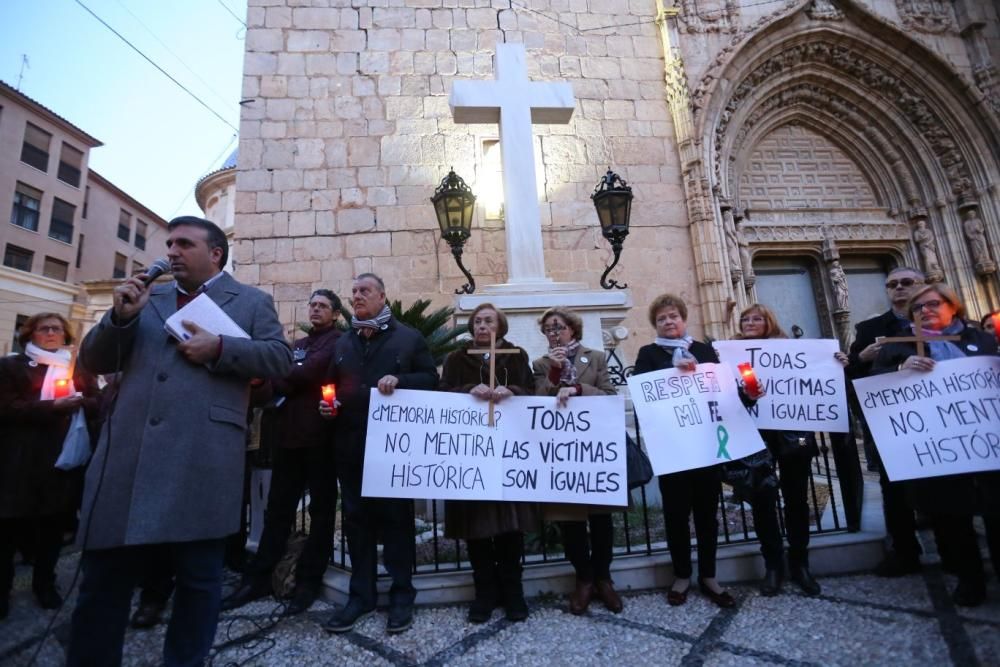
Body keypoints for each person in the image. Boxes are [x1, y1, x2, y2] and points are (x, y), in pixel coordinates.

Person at [66, 216, 292, 667]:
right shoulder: (147, 299)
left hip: (201, 459)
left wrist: (222, 348)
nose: (171, 252)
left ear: (215, 254)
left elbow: (280, 358)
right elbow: (93, 359)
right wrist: (118, 318)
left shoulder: (250, 301)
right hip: (128, 458)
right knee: (103, 583)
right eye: (169, 243)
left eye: (184, 244)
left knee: (198, 582)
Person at [319, 273, 437, 634]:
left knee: (396, 523)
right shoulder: (343, 342)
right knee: (356, 522)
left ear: (382, 296)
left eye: (364, 291)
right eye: (353, 291)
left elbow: (432, 379)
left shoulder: (408, 337)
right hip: (350, 448)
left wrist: (401, 382)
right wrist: (328, 403)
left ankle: (402, 595)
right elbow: (329, 383)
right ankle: (362, 595)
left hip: (393, 453)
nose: (356, 296)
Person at [872, 283, 999, 606]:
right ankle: (969, 579)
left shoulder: (981, 340)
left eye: (933, 304)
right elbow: (874, 387)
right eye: (918, 308)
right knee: (952, 519)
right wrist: (901, 369)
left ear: (952, 306)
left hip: (986, 444)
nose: (925, 311)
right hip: (940, 451)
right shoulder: (898, 347)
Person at [224, 289, 343, 616]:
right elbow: (278, 383)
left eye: (323, 306)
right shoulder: (298, 346)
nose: (315, 309)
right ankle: (259, 577)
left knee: (321, 515)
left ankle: (307, 581)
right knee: (277, 511)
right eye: (313, 304)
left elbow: (305, 374)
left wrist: (278, 371)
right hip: (287, 440)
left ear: (335, 314)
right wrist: (278, 374)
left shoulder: (336, 343)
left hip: (319, 441)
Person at [733, 303, 849, 596]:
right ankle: (773, 565)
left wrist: (836, 364)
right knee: (762, 502)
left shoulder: (789, 349)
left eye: (756, 318)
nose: (749, 322)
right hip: (756, 437)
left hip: (792, 434)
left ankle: (800, 564)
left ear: (769, 321)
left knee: (796, 500)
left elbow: (816, 378)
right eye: (745, 319)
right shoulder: (732, 354)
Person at [633, 293, 738, 608]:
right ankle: (681, 574)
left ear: (683, 319)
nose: (668, 322)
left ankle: (709, 575)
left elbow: (722, 388)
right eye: (662, 318)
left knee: (707, 514)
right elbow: (643, 391)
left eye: (673, 316)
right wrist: (671, 368)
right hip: (673, 448)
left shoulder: (705, 350)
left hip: (705, 445)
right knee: (676, 514)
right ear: (656, 324)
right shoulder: (648, 353)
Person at [440, 303, 538, 623]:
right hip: (471, 450)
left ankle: (513, 592)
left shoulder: (516, 355)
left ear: (500, 326)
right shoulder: (457, 359)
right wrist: (470, 389)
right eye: (478, 321)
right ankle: (484, 593)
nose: (482, 326)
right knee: (476, 526)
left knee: (510, 529)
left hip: (508, 449)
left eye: (489, 321)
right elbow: (443, 393)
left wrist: (512, 391)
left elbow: (532, 391)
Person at [0, 313, 99, 621]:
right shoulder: (11, 366)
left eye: (57, 329)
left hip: (62, 462)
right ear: (30, 334)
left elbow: (97, 401)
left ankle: (45, 583)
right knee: (9, 531)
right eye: (45, 328)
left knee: (52, 529)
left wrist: (80, 400)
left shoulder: (76, 366)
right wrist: (50, 407)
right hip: (20, 460)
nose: (52, 333)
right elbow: (6, 408)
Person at [530, 307, 622, 614]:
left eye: (559, 328)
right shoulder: (540, 364)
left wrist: (580, 389)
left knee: (600, 518)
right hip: (562, 454)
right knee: (570, 519)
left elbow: (610, 395)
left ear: (573, 329)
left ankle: (604, 578)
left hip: (594, 451)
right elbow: (538, 400)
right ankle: (584, 578)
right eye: (548, 330)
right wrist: (555, 374)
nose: (554, 333)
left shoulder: (595, 358)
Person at [845, 266, 926, 577]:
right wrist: (859, 359)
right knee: (894, 487)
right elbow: (850, 373)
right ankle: (905, 551)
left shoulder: (938, 324)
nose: (899, 289)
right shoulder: (870, 328)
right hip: (892, 421)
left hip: (939, 418)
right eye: (892, 284)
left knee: (946, 486)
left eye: (907, 282)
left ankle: (957, 553)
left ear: (922, 284)